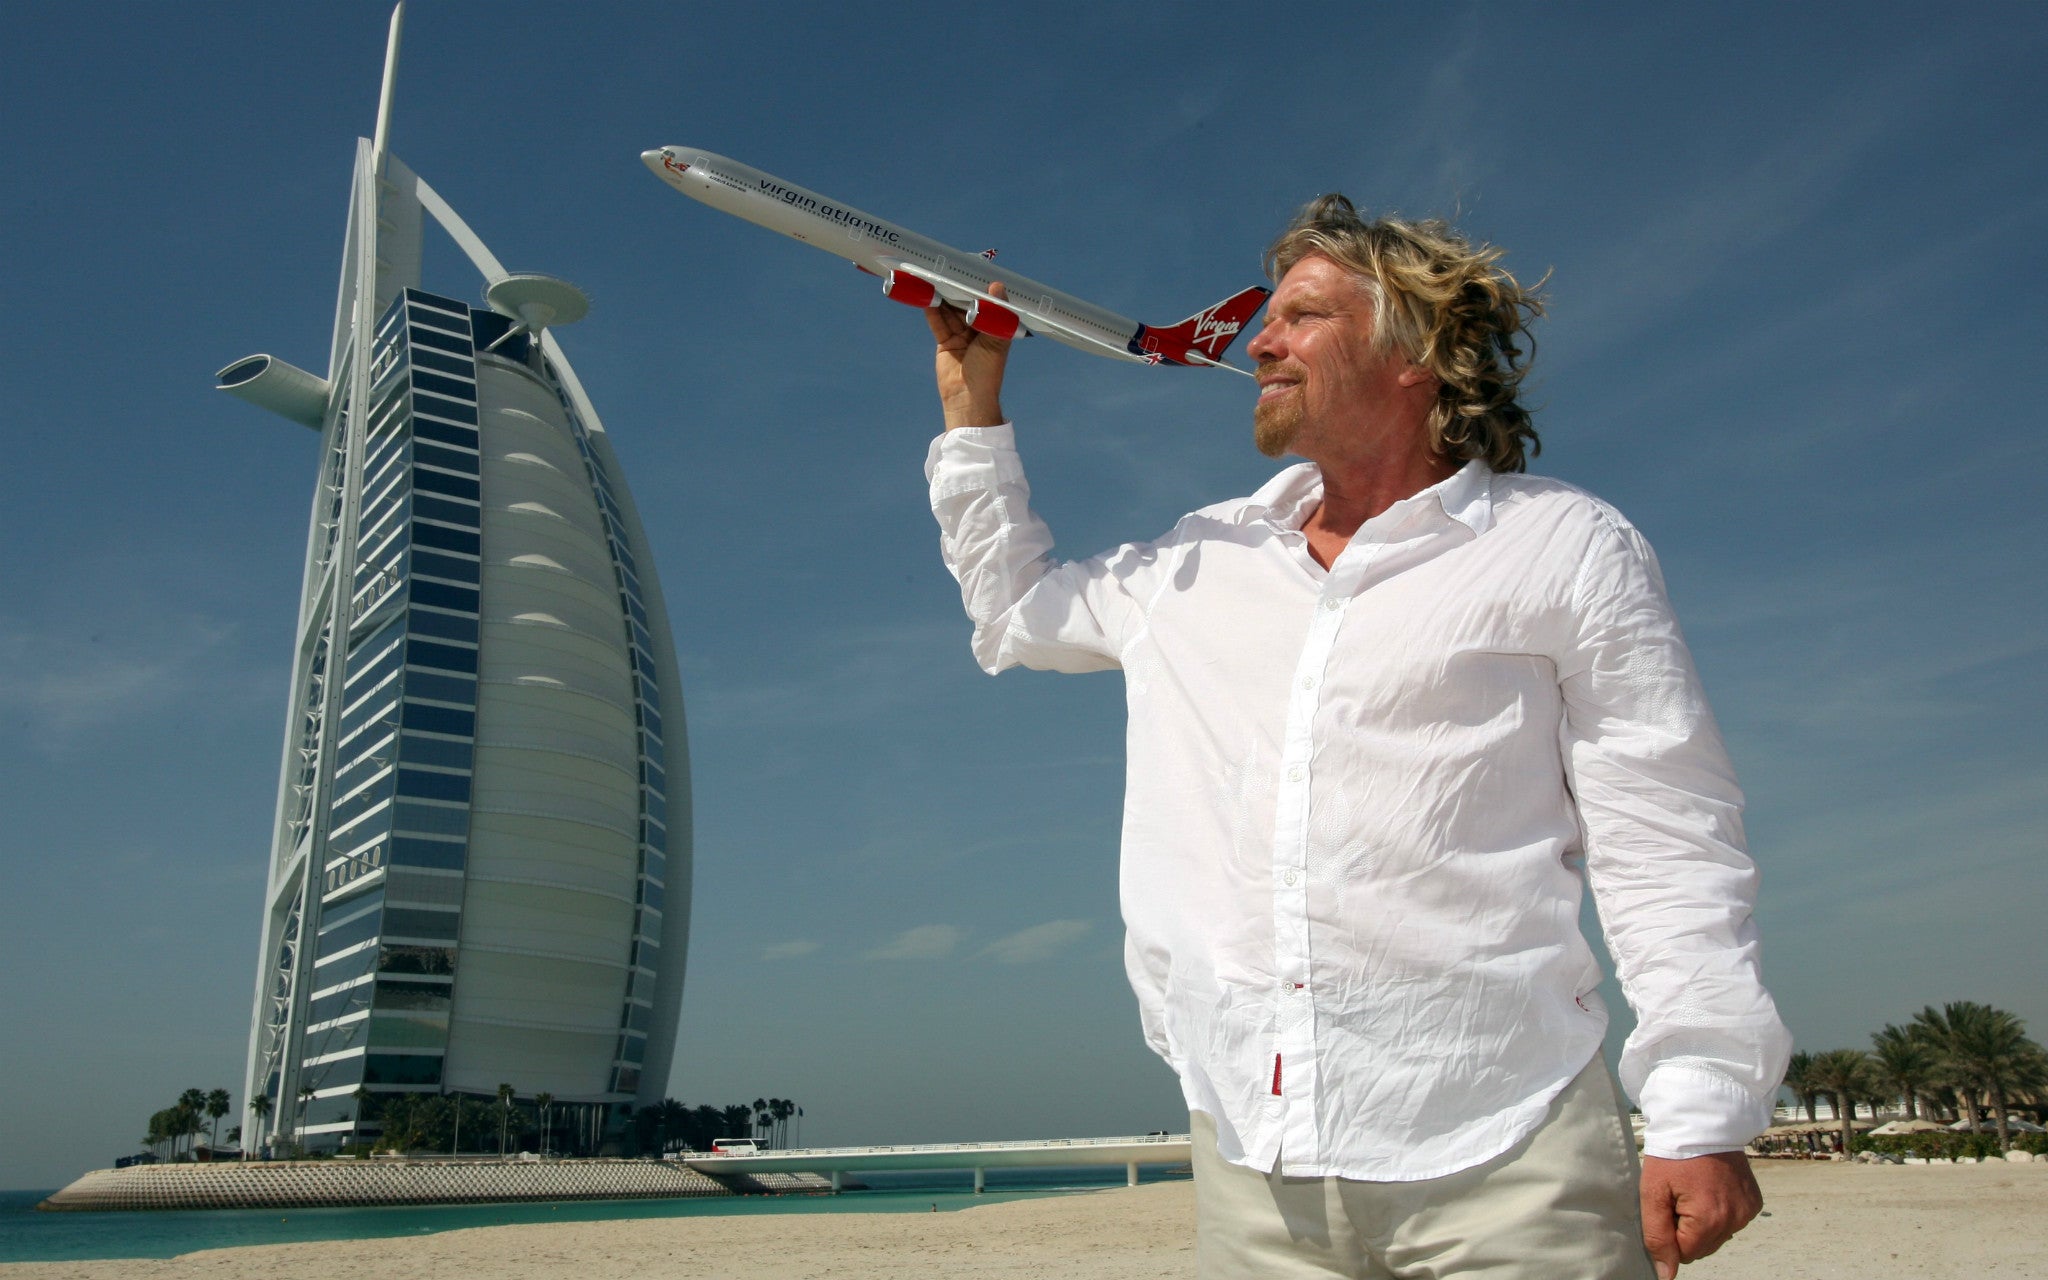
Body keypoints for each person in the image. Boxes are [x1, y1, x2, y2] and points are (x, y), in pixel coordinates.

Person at [919, 194, 1790, 1280]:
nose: (1258, 340)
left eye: (1301, 315)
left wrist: (1699, 1105)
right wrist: (972, 411)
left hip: (1505, 1149)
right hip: (1252, 1164)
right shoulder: (1195, 561)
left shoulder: (1562, 546)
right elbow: (1012, 615)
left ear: (1416, 353)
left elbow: (1667, 834)